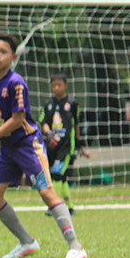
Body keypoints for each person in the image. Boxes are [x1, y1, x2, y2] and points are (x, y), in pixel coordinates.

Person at [0, 32, 87, 258]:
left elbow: (18, 120)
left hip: (28, 146)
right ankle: (27, 242)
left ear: (13, 57)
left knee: (46, 192)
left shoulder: (16, 83)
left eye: (3, 52)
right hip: (7, 148)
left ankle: (76, 247)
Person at [40, 71, 84, 214]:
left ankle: (53, 206)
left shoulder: (72, 104)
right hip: (53, 146)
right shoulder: (48, 104)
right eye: (54, 86)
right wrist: (48, 134)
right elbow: (44, 122)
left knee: (57, 173)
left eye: (59, 85)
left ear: (66, 85)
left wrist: (78, 144)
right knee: (62, 178)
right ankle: (70, 207)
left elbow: (76, 124)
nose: (56, 88)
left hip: (66, 146)